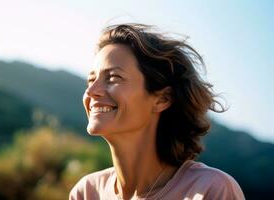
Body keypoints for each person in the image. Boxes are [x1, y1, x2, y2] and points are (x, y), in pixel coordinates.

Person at [69, 23, 245, 200]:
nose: (92, 91)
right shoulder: (86, 193)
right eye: (91, 80)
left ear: (163, 99)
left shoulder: (211, 189)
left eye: (114, 77)